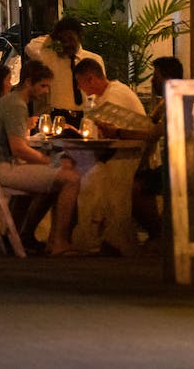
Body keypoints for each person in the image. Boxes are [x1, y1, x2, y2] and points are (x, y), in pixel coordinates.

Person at [0, 60, 81, 256]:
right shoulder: (16, 105)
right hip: (2, 170)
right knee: (71, 178)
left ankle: (20, 235)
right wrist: (52, 162)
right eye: (43, 85)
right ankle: (59, 242)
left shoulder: (9, 102)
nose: (45, 91)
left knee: (51, 180)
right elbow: (19, 149)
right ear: (28, 82)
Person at [72, 57, 147, 256]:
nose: (82, 90)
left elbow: (108, 133)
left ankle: (111, 239)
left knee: (92, 178)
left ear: (90, 79)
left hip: (130, 152)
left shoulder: (114, 95)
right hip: (119, 150)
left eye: (80, 84)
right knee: (89, 175)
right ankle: (102, 237)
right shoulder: (104, 96)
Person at [131, 56, 184, 247]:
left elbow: (152, 133)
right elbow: (149, 122)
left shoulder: (177, 100)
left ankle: (158, 235)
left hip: (180, 167)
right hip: (172, 164)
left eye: (155, 76)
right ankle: (159, 234)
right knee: (142, 179)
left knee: (136, 186)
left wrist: (118, 132)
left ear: (166, 78)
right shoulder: (167, 101)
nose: (152, 81)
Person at [25, 16, 104, 129]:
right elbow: (30, 47)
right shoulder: (52, 59)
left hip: (86, 117)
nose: (66, 43)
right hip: (59, 117)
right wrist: (51, 36)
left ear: (79, 37)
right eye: (62, 39)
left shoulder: (94, 59)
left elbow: (100, 90)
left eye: (70, 38)